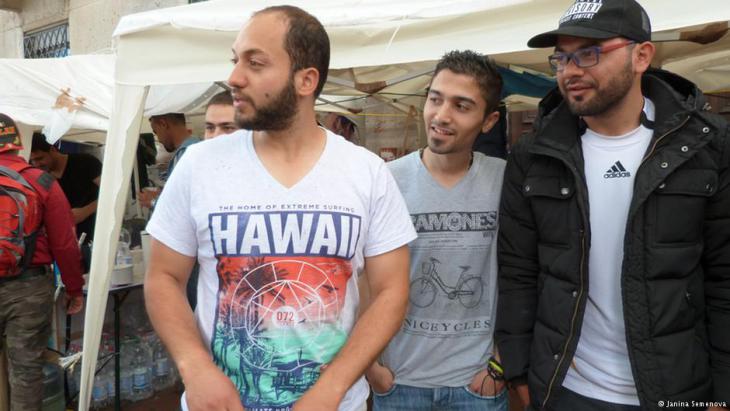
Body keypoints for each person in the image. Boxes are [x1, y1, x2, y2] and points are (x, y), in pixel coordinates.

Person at [143, 5, 416, 411]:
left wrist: (333, 388)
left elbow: (392, 290)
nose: (234, 77)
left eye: (255, 63)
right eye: (235, 60)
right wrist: (194, 367)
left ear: (306, 79)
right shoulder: (199, 166)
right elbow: (163, 276)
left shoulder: (367, 172)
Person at [495, 1, 730, 410]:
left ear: (641, 55)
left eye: (589, 53)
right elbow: (519, 271)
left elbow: (724, 277)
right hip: (565, 388)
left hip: (676, 390)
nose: (570, 70)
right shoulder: (534, 155)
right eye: (562, 58)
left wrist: (724, 391)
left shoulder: (707, 147)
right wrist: (517, 369)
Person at [365, 50, 508, 411]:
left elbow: (525, 276)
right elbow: (362, 278)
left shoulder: (505, 180)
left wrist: (498, 366)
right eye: (435, 99)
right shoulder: (386, 180)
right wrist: (371, 368)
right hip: (399, 383)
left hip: (476, 384)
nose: (441, 116)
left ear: (489, 121)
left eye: (461, 106)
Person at [0, 113, 85, 411]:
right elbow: (65, 242)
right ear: (17, 142)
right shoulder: (41, 181)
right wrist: (75, 289)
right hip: (29, 288)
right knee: (25, 371)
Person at [30, 133, 101, 244]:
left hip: (96, 235)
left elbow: (111, 193)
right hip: (66, 242)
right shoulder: (41, 176)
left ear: (53, 150)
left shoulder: (86, 162)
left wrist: (85, 212)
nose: (36, 164)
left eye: (40, 158)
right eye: (32, 161)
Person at [137, 112, 200, 208]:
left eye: (156, 132)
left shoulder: (187, 154)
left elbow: (184, 205)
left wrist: (153, 202)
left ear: (163, 124)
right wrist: (164, 194)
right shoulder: (194, 147)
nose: (159, 139)